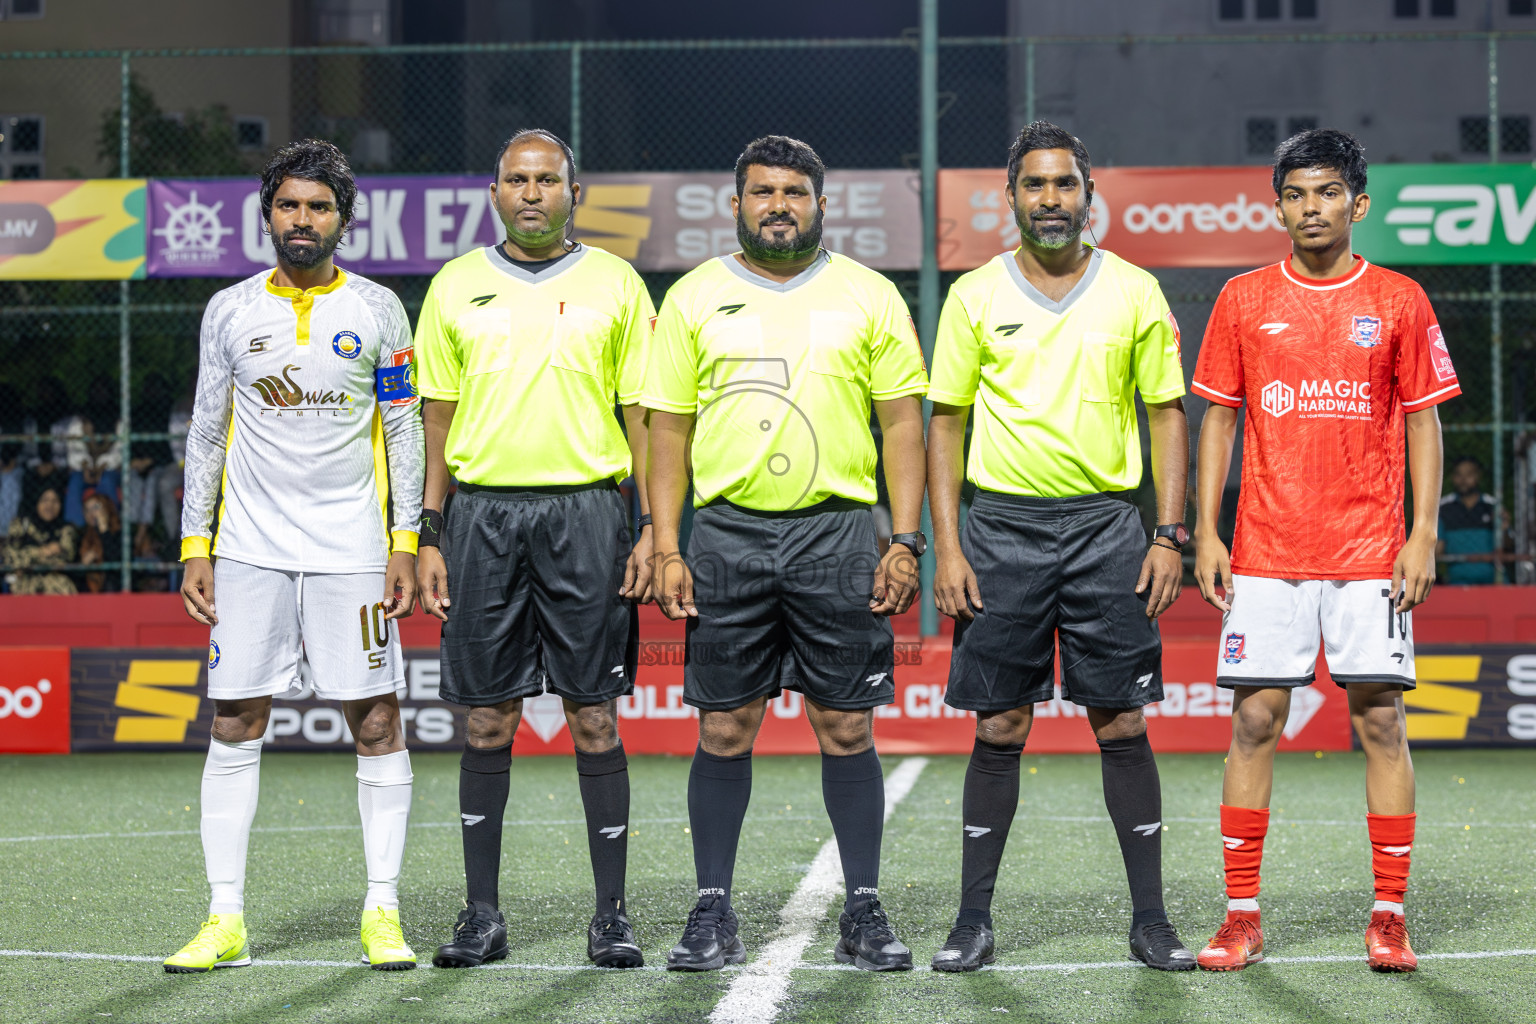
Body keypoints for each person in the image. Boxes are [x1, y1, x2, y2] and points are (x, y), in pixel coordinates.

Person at [646, 135, 928, 973]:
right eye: (764, 191)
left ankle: (865, 910)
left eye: (795, 192)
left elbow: (903, 422)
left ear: (820, 204)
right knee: (726, 725)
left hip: (838, 532)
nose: (780, 204)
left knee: (845, 724)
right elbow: (668, 429)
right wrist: (668, 543)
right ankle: (712, 911)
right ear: (736, 204)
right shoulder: (695, 297)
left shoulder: (869, 295)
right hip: (727, 533)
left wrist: (905, 541)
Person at [925, 121, 1193, 973]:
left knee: (1121, 717)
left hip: (1109, 529)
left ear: (1088, 195)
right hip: (1000, 530)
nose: (1050, 200)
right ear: (1010, 199)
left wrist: (1170, 533)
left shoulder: (1136, 291)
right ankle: (973, 920)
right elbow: (946, 421)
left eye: (1064, 185)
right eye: (1034, 186)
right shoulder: (973, 295)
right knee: (1001, 723)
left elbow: (1165, 415)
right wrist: (949, 547)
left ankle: (1150, 920)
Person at [1190, 129, 1458, 974]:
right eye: (1298, 195)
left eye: (1329, 193)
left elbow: (1423, 419)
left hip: (1370, 552)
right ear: (1278, 205)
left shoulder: (1402, 299)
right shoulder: (1240, 299)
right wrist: (1206, 529)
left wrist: (1421, 531)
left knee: (1381, 721)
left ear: (1358, 204)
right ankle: (1241, 918)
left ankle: (1388, 916)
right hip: (1268, 549)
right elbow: (1219, 418)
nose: (1313, 208)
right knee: (1255, 721)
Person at [167, 139, 424, 974]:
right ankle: (224, 917)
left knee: (377, 719)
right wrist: (194, 543)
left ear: (344, 220)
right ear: (268, 213)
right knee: (235, 718)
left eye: (318, 207)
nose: (302, 220)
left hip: (353, 549)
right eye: (289, 205)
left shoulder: (382, 310)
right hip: (247, 551)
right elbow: (207, 431)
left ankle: (381, 910)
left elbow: (403, 429)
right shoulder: (230, 310)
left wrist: (405, 541)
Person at [414, 129, 655, 970]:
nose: (531, 192)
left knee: (593, 712)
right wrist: (429, 530)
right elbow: (435, 418)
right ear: (494, 192)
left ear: (574, 193)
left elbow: (643, 415)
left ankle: (611, 916)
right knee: (487, 716)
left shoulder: (617, 283)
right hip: (480, 518)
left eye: (547, 179)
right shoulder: (454, 286)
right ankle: (482, 914)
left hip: (588, 512)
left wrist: (655, 526)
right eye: (517, 179)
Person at [1438, 456, 1502, 584]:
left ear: (1478, 476)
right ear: (1452, 478)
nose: (1463, 480)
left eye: (1469, 474)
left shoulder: (1493, 506)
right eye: (1458, 474)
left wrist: (1503, 529)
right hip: (1455, 582)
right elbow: (1437, 549)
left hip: (1491, 581)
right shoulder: (1443, 508)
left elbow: (1507, 546)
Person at [4, 485, 78, 595]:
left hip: (56, 586)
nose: (50, 505)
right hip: (24, 585)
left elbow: (65, 560)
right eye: (45, 500)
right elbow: (11, 557)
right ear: (36, 502)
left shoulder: (66, 529)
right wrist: (43, 551)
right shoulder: (20, 525)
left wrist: (27, 558)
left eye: (55, 501)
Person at [78, 491, 122, 593]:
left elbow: (115, 559)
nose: (91, 513)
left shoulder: (120, 533)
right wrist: (83, 565)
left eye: (96, 508)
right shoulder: (82, 535)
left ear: (106, 508)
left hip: (113, 587)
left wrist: (104, 531)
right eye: (87, 510)